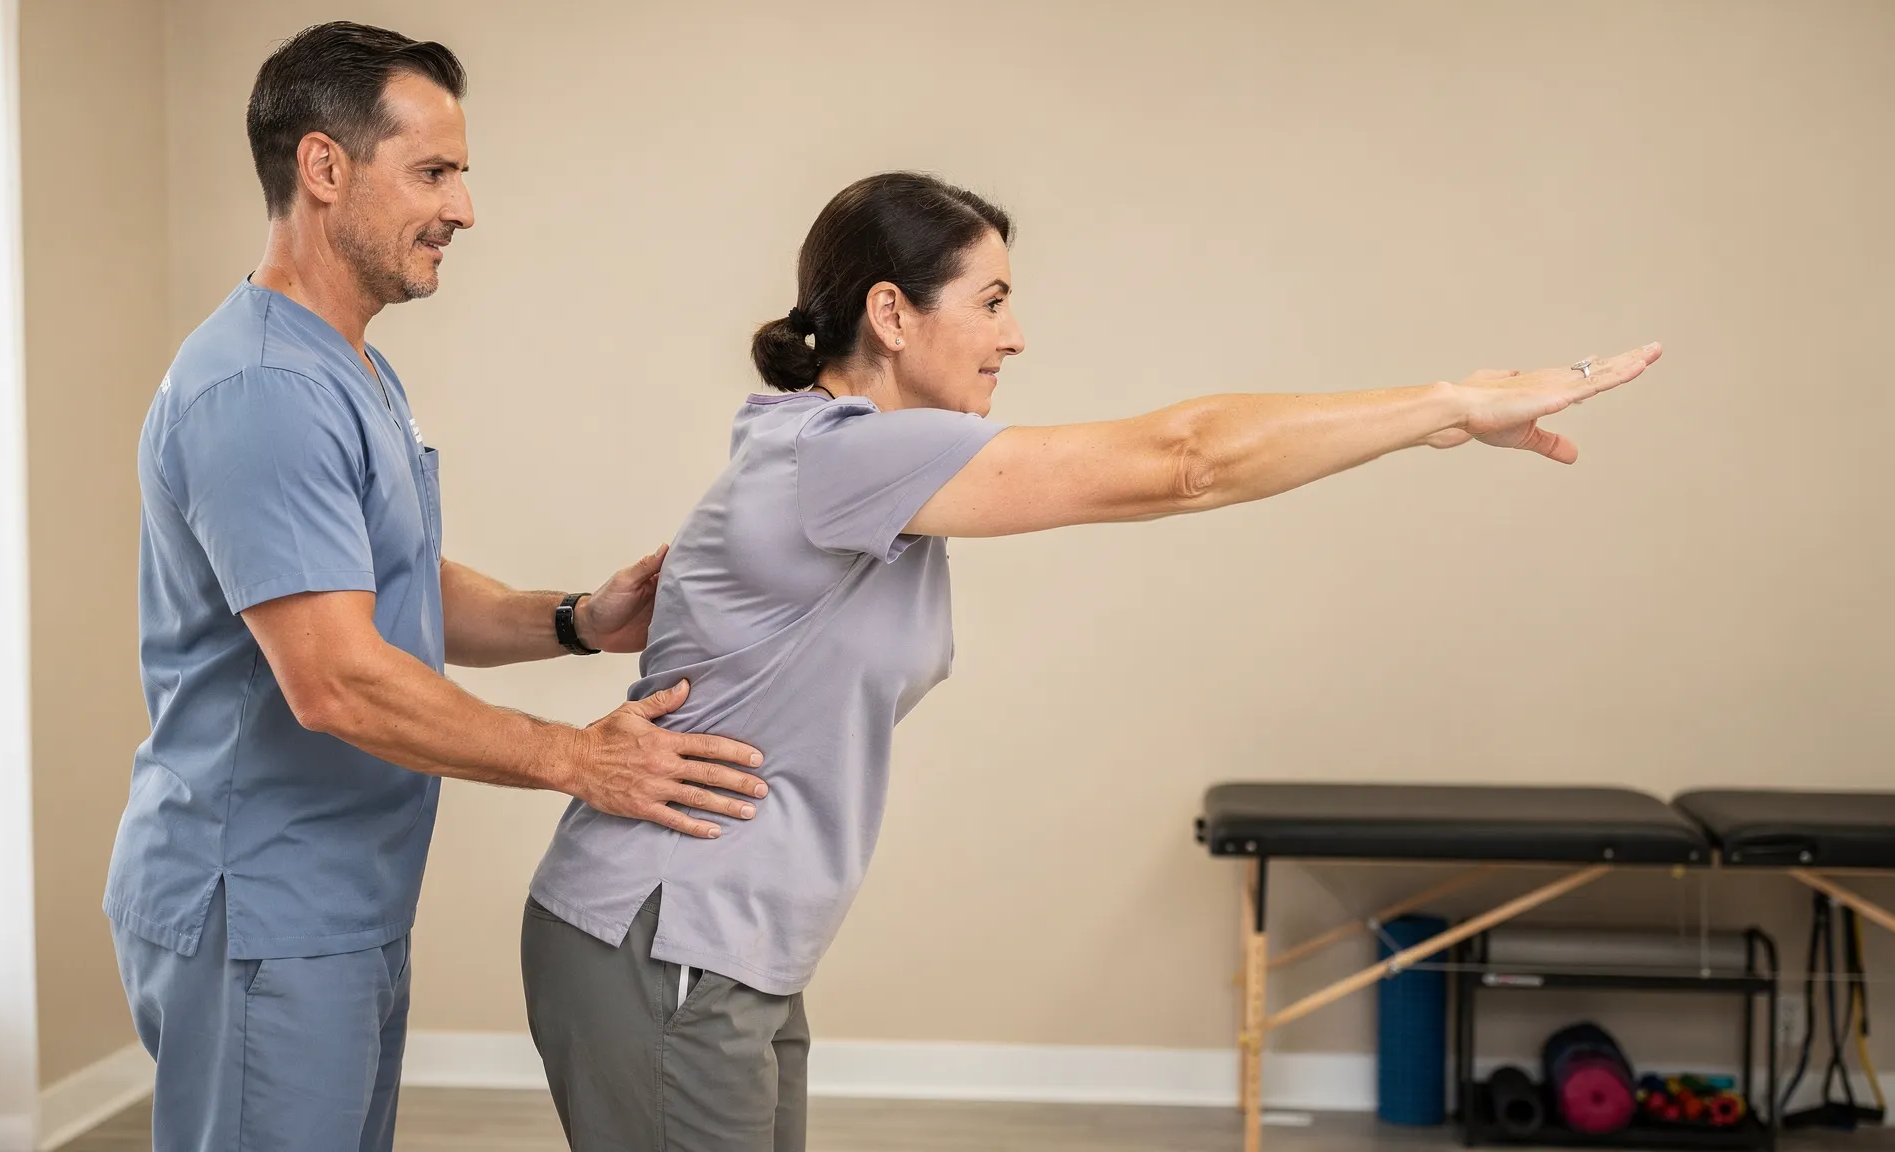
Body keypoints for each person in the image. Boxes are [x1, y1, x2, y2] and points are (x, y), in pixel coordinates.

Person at [520, 171, 1662, 1151]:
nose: (1015, 335)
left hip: (730, 947)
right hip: (667, 938)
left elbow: (1184, 465)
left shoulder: (848, 467)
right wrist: (1447, 403)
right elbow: (1185, 463)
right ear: (892, 313)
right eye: (993, 300)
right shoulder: (842, 461)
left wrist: (1433, 419)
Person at [103, 23, 767, 1152]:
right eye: (434, 172)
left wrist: (572, 621)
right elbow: (336, 679)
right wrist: (575, 758)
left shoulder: (349, 364)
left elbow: (381, 585)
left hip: (339, 901)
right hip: (263, 907)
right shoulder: (261, 390)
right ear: (324, 168)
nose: (462, 208)